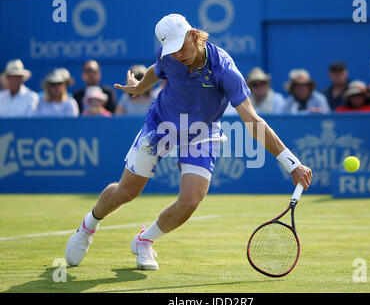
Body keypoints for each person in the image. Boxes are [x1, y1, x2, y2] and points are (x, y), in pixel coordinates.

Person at [65, 14, 313, 271]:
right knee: (127, 191)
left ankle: (144, 240)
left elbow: (253, 121)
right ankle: (88, 226)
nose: (178, 55)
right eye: (171, 50)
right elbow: (156, 69)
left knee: (191, 200)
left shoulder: (224, 69)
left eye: (181, 47)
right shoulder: (169, 55)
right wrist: (140, 86)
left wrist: (291, 163)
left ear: (194, 35)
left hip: (202, 130)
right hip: (161, 123)